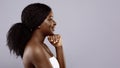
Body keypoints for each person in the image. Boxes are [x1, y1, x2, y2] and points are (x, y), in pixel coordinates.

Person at [6, 3, 66, 68]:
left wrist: (59, 47)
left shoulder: (41, 46)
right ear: (38, 23)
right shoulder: (35, 49)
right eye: (50, 19)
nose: (55, 23)